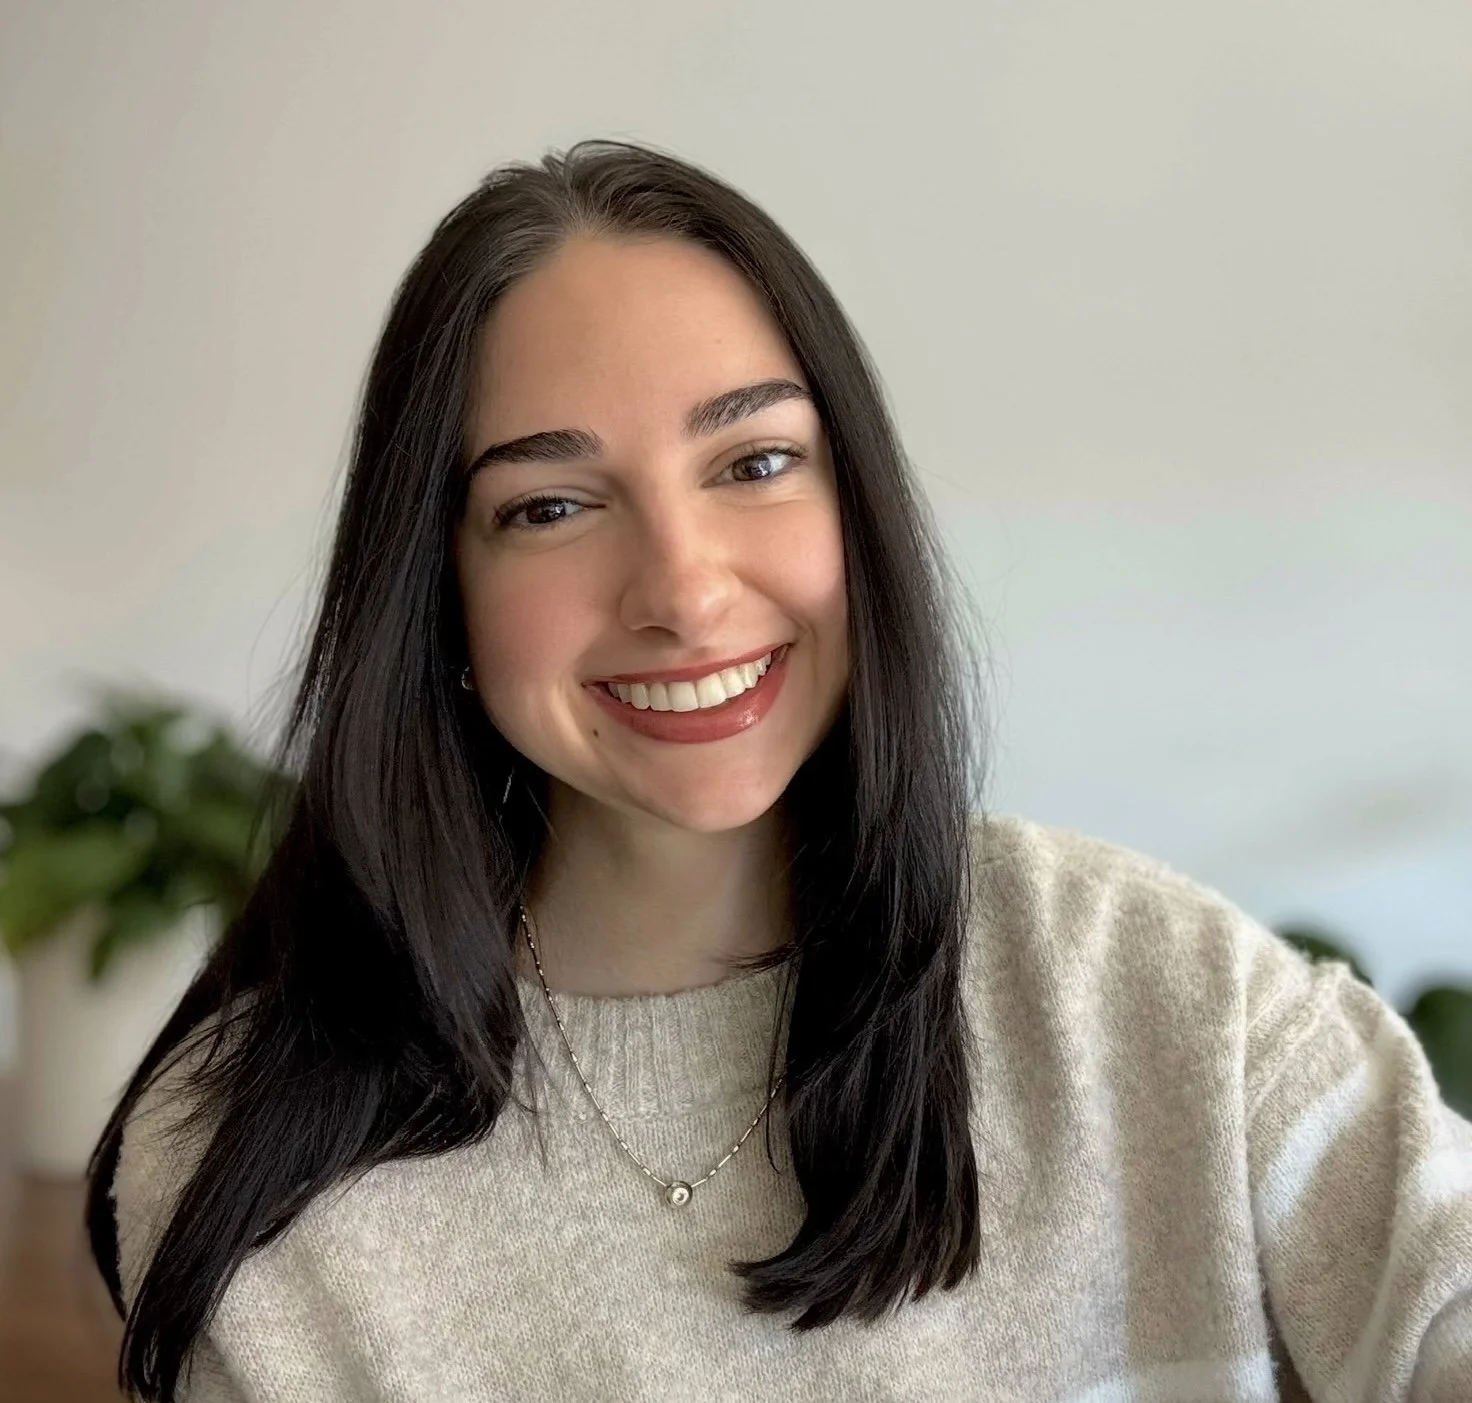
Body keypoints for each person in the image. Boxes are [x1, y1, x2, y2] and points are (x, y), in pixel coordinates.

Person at [86, 140, 1470, 1403]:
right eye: (550, 504)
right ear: (438, 594)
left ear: (854, 510)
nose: (684, 591)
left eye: (753, 461)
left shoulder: (1172, 1005)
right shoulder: (247, 1179)